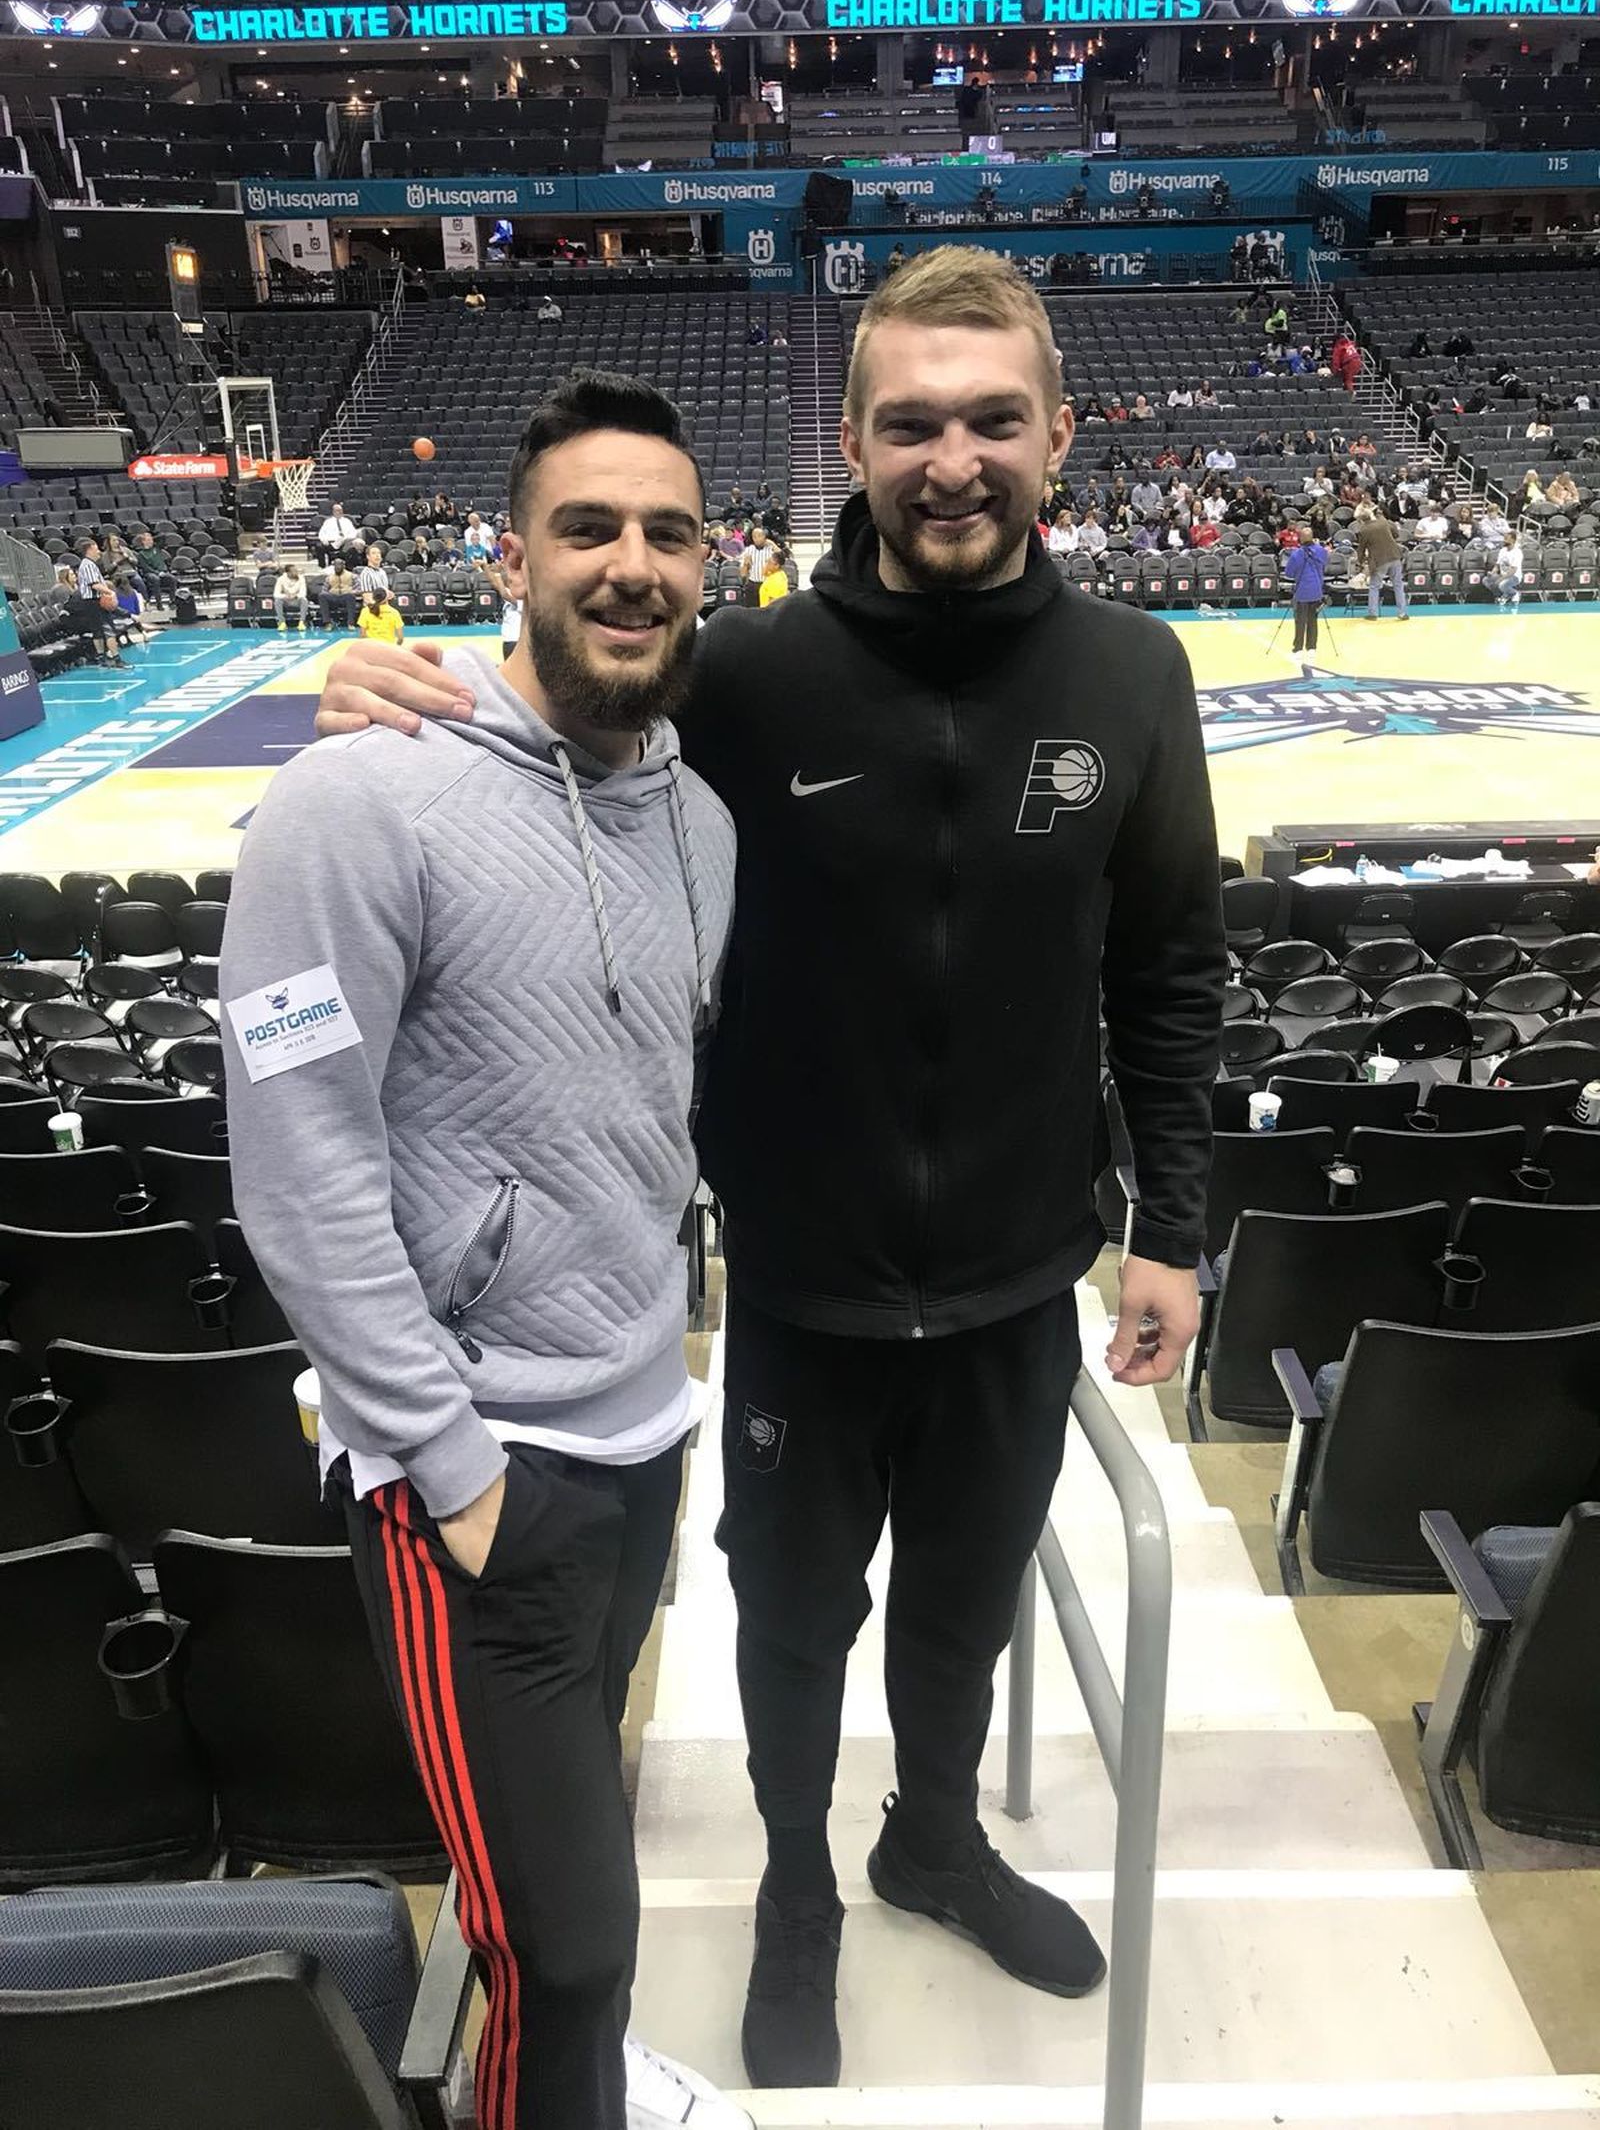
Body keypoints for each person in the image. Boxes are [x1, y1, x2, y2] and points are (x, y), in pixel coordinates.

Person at [309, 246, 1226, 2094]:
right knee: (797, 1628)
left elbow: (1172, 963)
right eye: (910, 422)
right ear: (855, 444)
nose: (951, 457)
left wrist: (1175, 1230)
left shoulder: (1136, 672)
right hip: (799, 1288)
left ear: (1059, 432)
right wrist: (386, 688)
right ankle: (801, 1883)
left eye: (989, 420)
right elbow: (551, 719)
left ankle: (935, 1837)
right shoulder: (745, 676)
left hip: (1016, 1278)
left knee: (962, 1615)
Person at [221, 370, 744, 2130]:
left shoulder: (703, 821)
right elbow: (298, 1167)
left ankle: (570, 2073)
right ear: (511, 555)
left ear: (709, 565)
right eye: (587, 527)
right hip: (480, 1462)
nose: (630, 562)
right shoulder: (356, 801)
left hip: (637, 1430)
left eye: (667, 531)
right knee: (569, 1937)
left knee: (553, 1884)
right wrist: (446, 1460)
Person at [1282, 523, 1329, 655]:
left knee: (1300, 620)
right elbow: (1325, 564)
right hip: (1317, 590)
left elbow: (1289, 573)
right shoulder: (1321, 551)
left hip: (1302, 591)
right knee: (1313, 620)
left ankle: (1298, 648)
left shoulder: (1296, 554)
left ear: (1301, 539)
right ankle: (1312, 647)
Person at [1354, 504, 1407, 622]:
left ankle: (1373, 613)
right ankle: (1402, 613)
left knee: (1374, 586)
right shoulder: (1383, 522)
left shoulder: (1364, 530)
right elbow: (1396, 533)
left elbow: (1361, 549)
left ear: (1361, 520)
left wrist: (1360, 562)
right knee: (1398, 585)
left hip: (1379, 560)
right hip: (1394, 556)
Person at [738, 523, 780, 606]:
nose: (757, 539)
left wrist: (773, 544)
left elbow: (782, 559)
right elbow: (743, 574)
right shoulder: (748, 550)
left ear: (765, 537)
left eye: (760, 536)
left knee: (768, 609)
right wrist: (746, 565)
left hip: (768, 583)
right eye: (754, 536)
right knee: (753, 610)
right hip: (753, 584)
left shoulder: (771, 549)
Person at [320, 556, 360, 628]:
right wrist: (330, 592)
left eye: (339, 565)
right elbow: (324, 590)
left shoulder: (352, 576)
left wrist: (351, 591)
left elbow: (359, 589)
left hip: (346, 597)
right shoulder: (329, 578)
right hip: (333, 597)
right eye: (335, 565)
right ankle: (327, 623)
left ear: (343, 566)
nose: (337, 567)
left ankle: (350, 623)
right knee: (322, 596)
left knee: (350, 596)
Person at [317, 501, 360, 567]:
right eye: (337, 510)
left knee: (352, 547)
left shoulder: (347, 521)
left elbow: (354, 533)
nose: (339, 512)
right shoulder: (328, 522)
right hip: (331, 543)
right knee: (319, 546)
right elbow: (321, 533)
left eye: (341, 510)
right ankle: (322, 566)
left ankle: (349, 567)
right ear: (333, 512)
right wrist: (324, 540)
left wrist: (346, 538)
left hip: (344, 543)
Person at [274, 562, 310, 632]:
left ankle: (301, 622)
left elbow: (303, 592)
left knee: (304, 600)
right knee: (277, 601)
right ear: (288, 573)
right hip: (286, 600)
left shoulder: (301, 578)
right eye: (294, 571)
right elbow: (276, 594)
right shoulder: (280, 579)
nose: (296, 572)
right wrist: (285, 596)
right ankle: (282, 623)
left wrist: (295, 595)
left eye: (296, 571)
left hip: (296, 600)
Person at [1494, 528, 1524, 609]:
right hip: (1503, 575)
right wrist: (1493, 572)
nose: (1504, 540)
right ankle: (1506, 595)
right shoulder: (1502, 550)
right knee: (1487, 580)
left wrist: (1501, 579)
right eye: (1504, 538)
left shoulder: (1517, 552)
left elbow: (1513, 570)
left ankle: (1514, 593)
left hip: (1514, 576)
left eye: (1506, 539)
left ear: (1513, 540)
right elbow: (1497, 565)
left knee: (1502, 584)